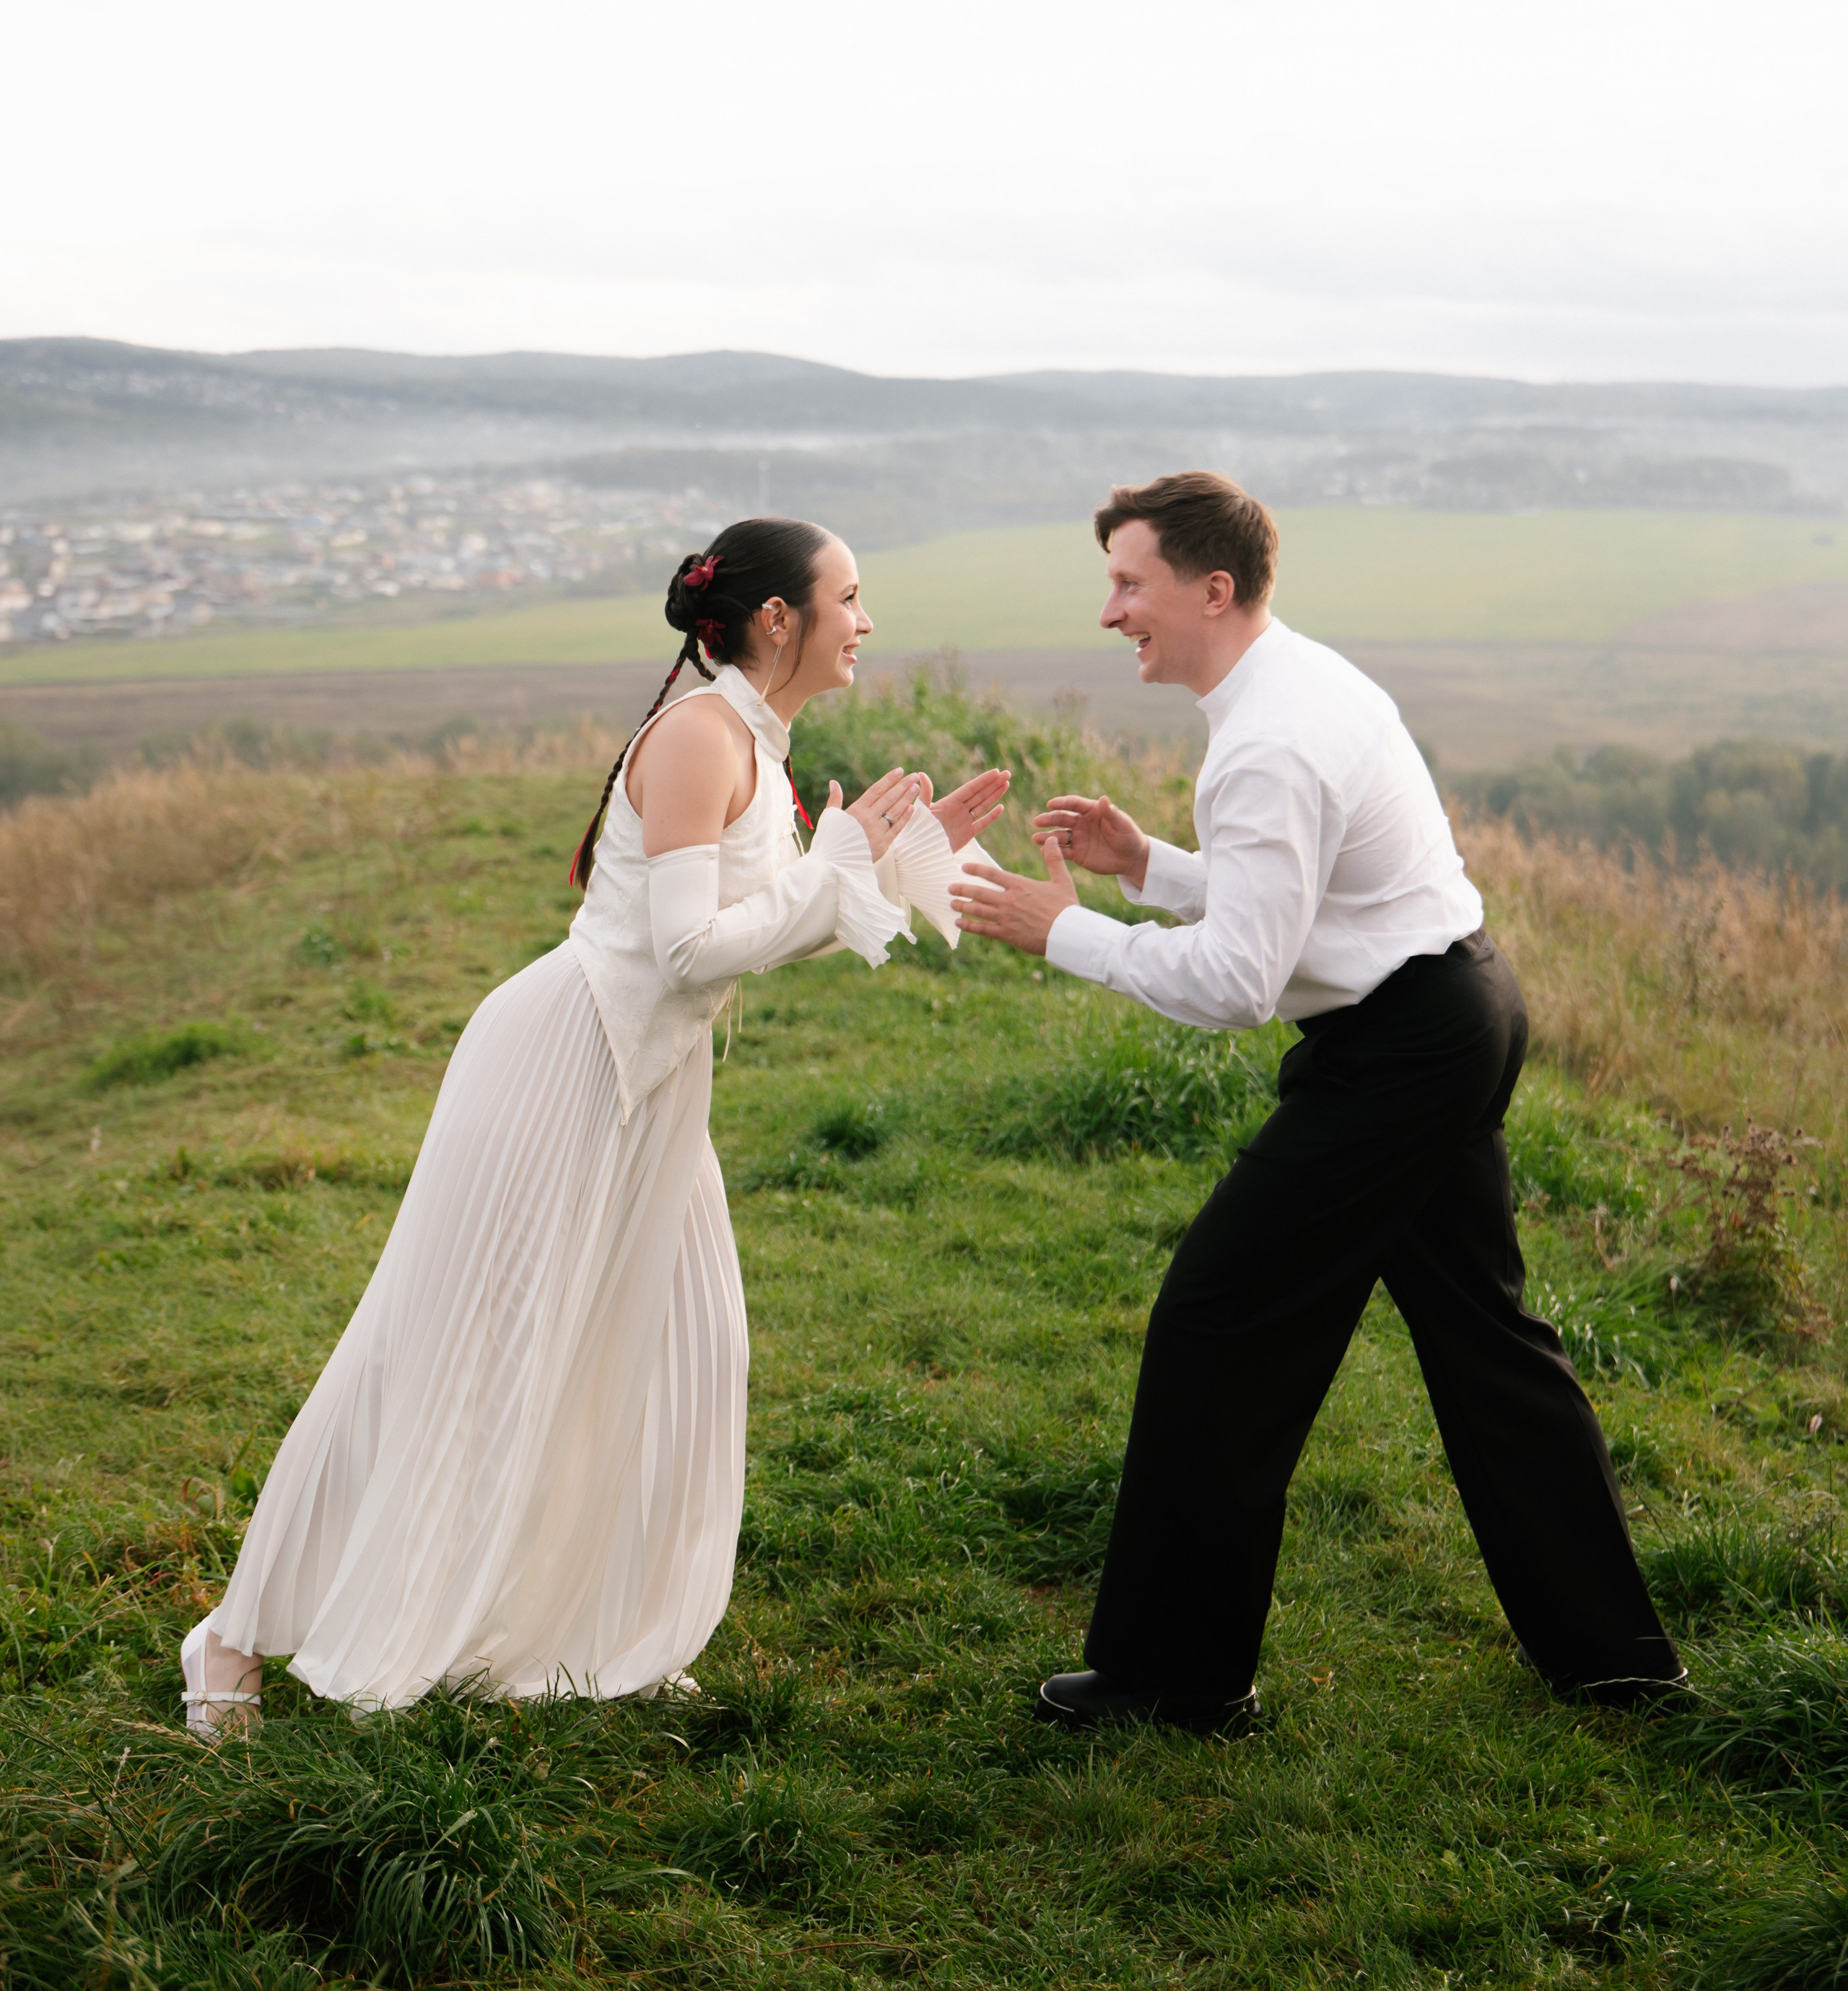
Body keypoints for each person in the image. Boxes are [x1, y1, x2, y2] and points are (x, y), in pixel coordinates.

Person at [182, 518, 1008, 1735]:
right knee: (439, 1355)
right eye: (850, 595)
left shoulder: (756, 742)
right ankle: (233, 1638)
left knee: (681, 1351)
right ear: (778, 617)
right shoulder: (699, 736)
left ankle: (595, 1631)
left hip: (653, 1090)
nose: (866, 620)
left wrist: (884, 864)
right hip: (563, 1069)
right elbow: (685, 950)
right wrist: (834, 863)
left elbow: (759, 922)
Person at [951, 470, 1684, 1735]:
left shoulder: (1268, 742)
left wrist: (1063, 929)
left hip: (1403, 1051)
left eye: (1129, 583)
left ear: (1211, 588)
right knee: (1487, 1339)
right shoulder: (1300, 681)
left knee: (1218, 1319)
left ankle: (1182, 1677)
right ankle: (1617, 1662)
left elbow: (1242, 979)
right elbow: (1307, 902)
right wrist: (1150, 866)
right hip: (1456, 1007)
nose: (1111, 611)